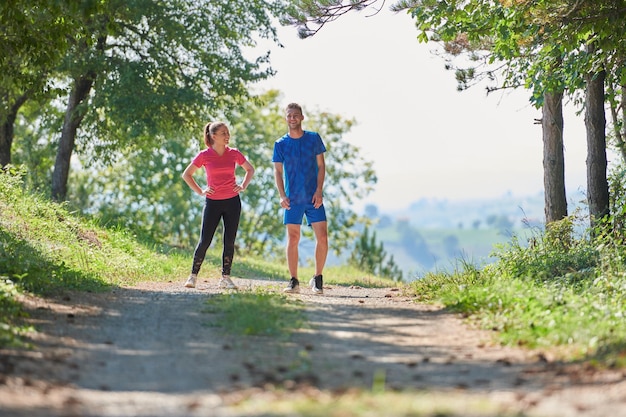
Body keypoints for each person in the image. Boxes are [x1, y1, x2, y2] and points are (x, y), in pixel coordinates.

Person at [182, 121, 254, 290]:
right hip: (212, 203)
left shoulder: (234, 153)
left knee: (229, 241)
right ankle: (193, 276)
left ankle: (225, 278)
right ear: (213, 136)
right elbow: (187, 175)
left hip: (232, 202)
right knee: (205, 240)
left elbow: (250, 169)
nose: (227, 136)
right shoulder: (204, 155)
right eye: (223, 133)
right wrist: (201, 191)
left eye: (228, 133)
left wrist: (243, 185)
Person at [273, 103, 328, 294]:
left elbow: (321, 166)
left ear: (302, 118)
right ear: (285, 118)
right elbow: (278, 171)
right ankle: (294, 281)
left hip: (314, 197)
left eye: (296, 115)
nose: (292, 118)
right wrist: (281, 195)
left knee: (322, 237)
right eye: (289, 116)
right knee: (293, 238)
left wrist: (319, 190)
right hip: (292, 198)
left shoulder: (313, 138)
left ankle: (317, 278)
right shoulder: (280, 144)